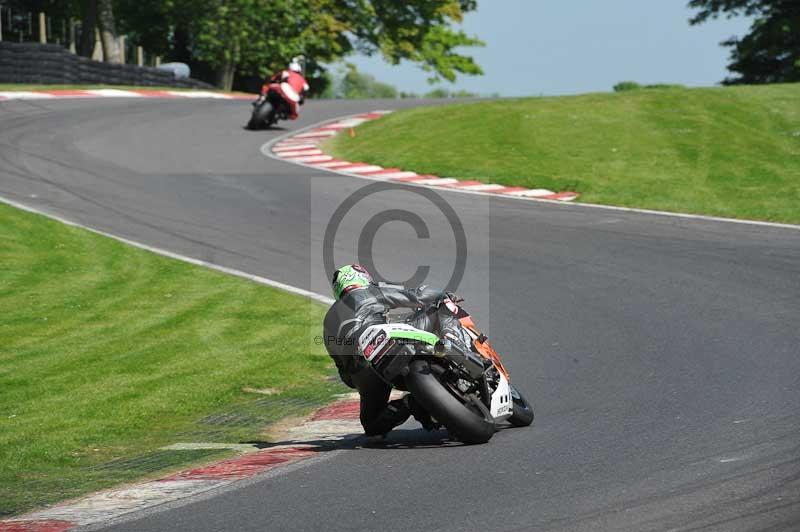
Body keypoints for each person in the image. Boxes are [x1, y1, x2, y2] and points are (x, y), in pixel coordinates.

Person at [322, 264, 470, 438]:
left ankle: (409, 404)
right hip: (389, 342)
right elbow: (415, 296)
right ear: (361, 278)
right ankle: (458, 347)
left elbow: (345, 374)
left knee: (372, 426)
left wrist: (363, 382)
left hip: (363, 372)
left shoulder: (327, 323)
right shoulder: (367, 291)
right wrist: (443, 296)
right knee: (439, 306)